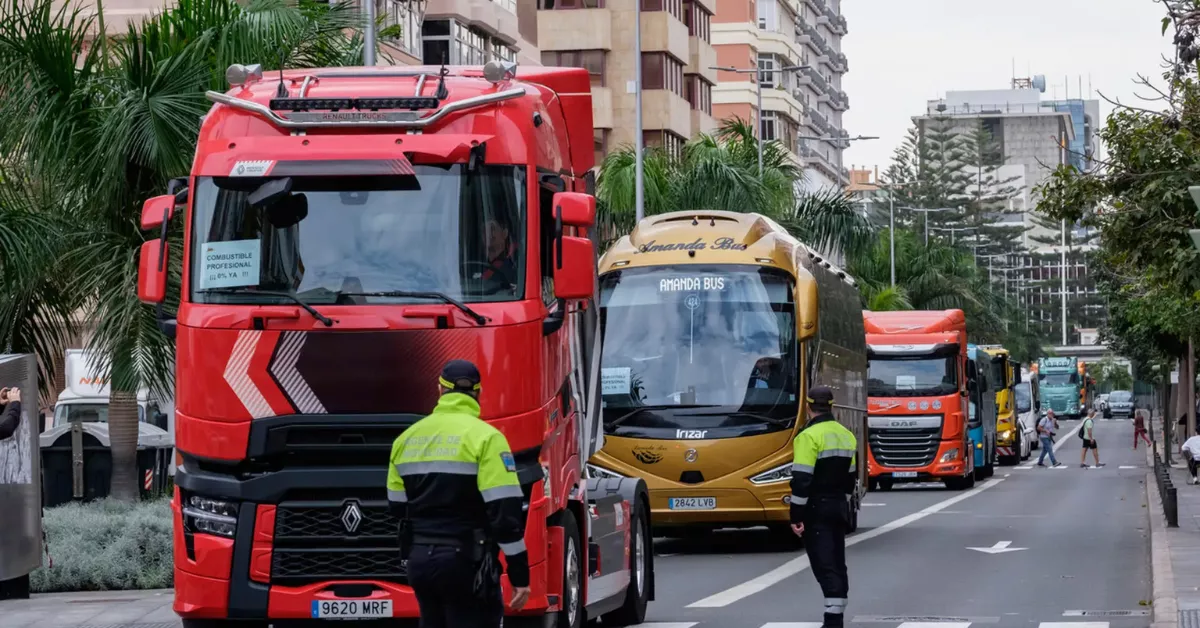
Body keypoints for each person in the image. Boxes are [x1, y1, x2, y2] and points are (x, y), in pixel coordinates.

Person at [386, 360, 530, 628]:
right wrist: (519, 574)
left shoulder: (405, 439)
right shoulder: (487, 438)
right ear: (478, 393)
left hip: (419, 561)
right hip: (466, 560)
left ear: (439, 390)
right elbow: (504, 513)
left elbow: (396, 506)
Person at [790, 385, 856, 628]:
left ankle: (832, 621)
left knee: (824, 564)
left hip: (816, 509)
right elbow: (851, 479)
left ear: (808, 407)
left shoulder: (807, 437)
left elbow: (802, 480)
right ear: (831, 406)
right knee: (837, 562)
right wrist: (843, 504)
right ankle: (835, 614)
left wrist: (796, 515)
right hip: (838, 507)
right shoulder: (846, 434)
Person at [482, 218, 517, 288]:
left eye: (492, 229)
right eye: (484, 230)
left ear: (505, 233)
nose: (488, 233)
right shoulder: (475, 263)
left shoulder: (516, 263)